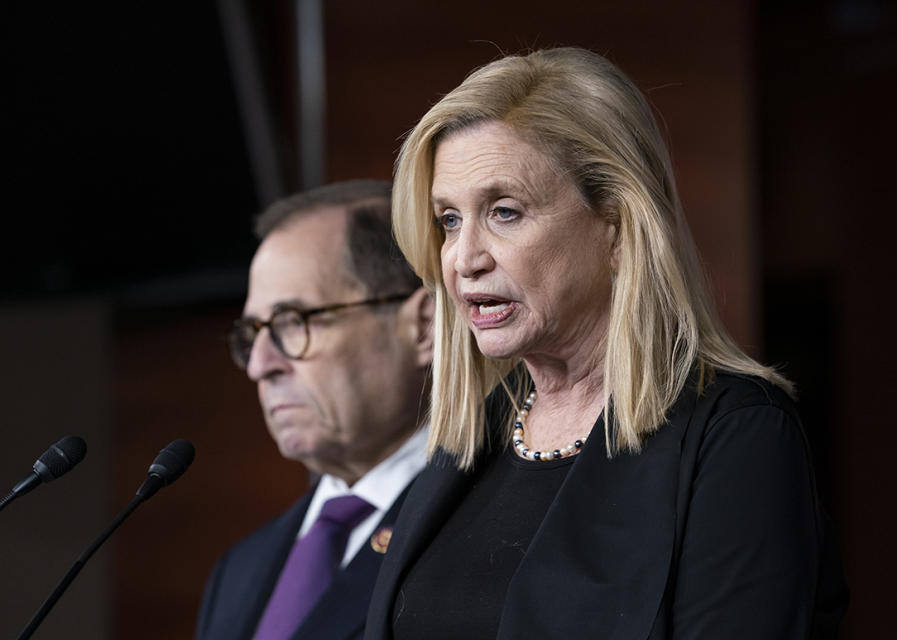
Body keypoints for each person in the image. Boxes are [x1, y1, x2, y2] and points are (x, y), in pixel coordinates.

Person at [364, 48, 847, 639]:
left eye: (505, 212)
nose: (465, 259)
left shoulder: (738, 437)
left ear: (617, 226)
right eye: (450, 220)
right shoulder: (470, 445)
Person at [196, 180, 434, 640]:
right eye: (252, 334)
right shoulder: (238, 571)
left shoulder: (492, 526)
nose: (260, 366)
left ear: (423, 327)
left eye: (293, 323)